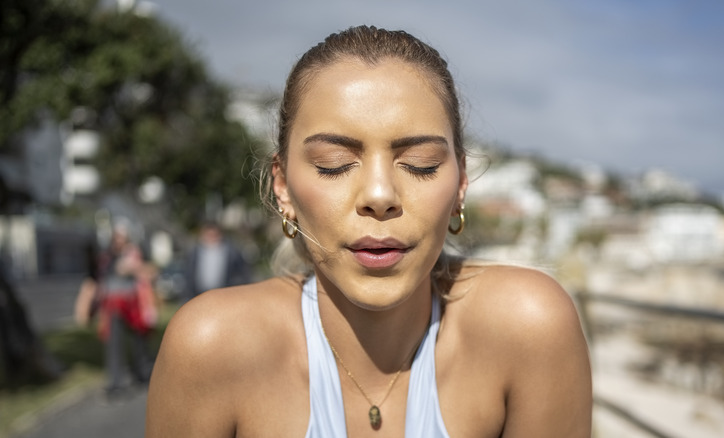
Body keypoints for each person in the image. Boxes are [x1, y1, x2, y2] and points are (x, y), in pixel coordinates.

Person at [146, 25, 592, 437]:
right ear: (282, 187)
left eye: (421, 165)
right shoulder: (212, 347)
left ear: (460, 184)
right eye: (334, 165)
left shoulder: (529, 326)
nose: (379, 195)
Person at [96, 221, 156, 398]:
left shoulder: (135, 252)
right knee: (114, 343)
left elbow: (148, 271)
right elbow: (102, 279)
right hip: (114, 304)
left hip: (134, 302)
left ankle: (143, 372)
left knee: (140, 341)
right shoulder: (107, 256)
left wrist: (134, 268)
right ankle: (116, 381)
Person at [181, 221, 251, 303]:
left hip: (224, 295)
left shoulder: (232, 252)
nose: (211, 238)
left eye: (214, 235)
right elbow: (188, 275)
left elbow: (242, 274)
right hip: (198, 294)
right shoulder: (194, 252)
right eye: (209, 235)